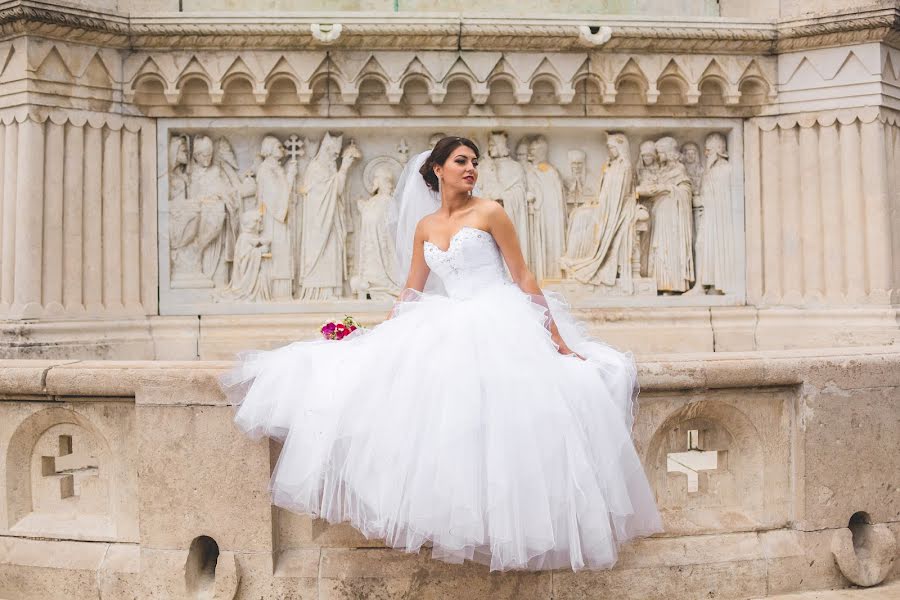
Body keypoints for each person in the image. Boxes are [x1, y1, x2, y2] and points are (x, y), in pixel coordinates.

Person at [222, 136, 663, 572]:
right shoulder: (425, 227)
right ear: (438, 169)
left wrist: (557, 339)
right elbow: (412, 288)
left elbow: (523, 275)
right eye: (460, 160)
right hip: (446, 318)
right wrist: (382, 335)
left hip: (499, 318)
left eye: (474, 161)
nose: (470, 168)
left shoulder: (490, 212)